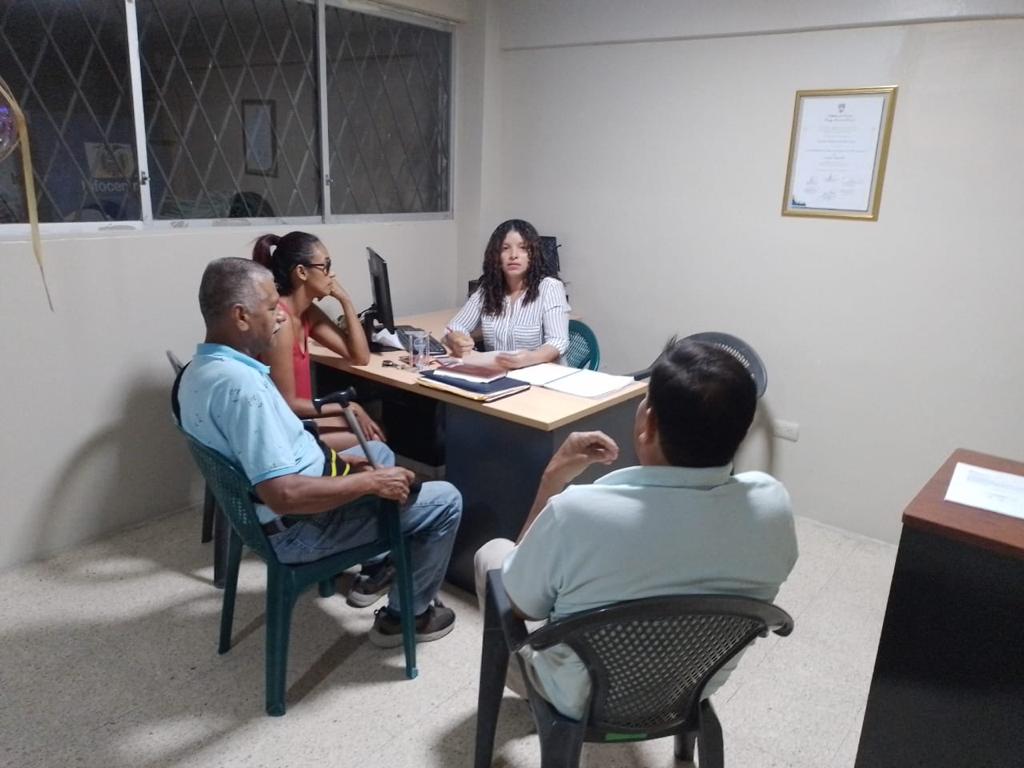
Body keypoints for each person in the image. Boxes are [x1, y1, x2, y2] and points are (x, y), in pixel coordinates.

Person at [473, 337, 798, 719]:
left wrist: (552, 480)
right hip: (693, 685)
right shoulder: (774, 505)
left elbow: (520, 605)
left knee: (492, 554)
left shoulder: (576, 513)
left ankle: (531, 695)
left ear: (649, 424)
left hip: (580, 698)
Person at [179, 257, 462, 646]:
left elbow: (277, 452)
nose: (280, 317)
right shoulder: (243, 389)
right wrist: (369, 484)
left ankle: (377, 569)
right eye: (270, 309)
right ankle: (404, 617)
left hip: (262, 518)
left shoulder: (196, 372)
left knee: (375, 453)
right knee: (445, 499)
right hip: (299, 529)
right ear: (241, 316)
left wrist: (345, 467)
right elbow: (284, 495)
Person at [252, 231, 383, 453]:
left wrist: (346, 301)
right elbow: (288, 404)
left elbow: (360, 356)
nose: (332, 274)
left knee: (367, 428)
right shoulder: (280, 323)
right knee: (371, 439)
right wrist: (350, 407)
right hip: (284, 432)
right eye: (326, 266)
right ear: (301, 272)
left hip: (298, 421)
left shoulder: (307, 313)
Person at [444, 219, 569, 370]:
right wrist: (456, 339)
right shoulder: (488, 288)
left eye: (523, 248)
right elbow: (455, 326)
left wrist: (531, 358)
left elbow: (558, 341)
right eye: (505, 248)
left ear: (533, 254)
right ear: (496, 255)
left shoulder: (550, 287)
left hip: (540, 375)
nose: (513, 255)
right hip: (498, 375)